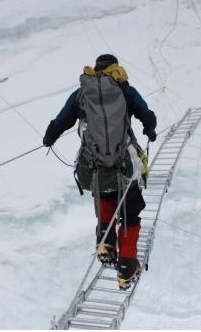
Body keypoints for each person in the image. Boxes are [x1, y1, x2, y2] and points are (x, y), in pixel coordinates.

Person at [43, 54, 157, 290]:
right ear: (115, 68)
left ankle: (106, 241)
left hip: (94, 167)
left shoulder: (82, 93)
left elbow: (63, 119)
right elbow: (147, 115)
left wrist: (49, 137)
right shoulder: (125, 90)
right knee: (131, 211)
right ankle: (126, 267)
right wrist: (150, 130)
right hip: (124, 165)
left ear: (95, 71)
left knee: (105, 192)